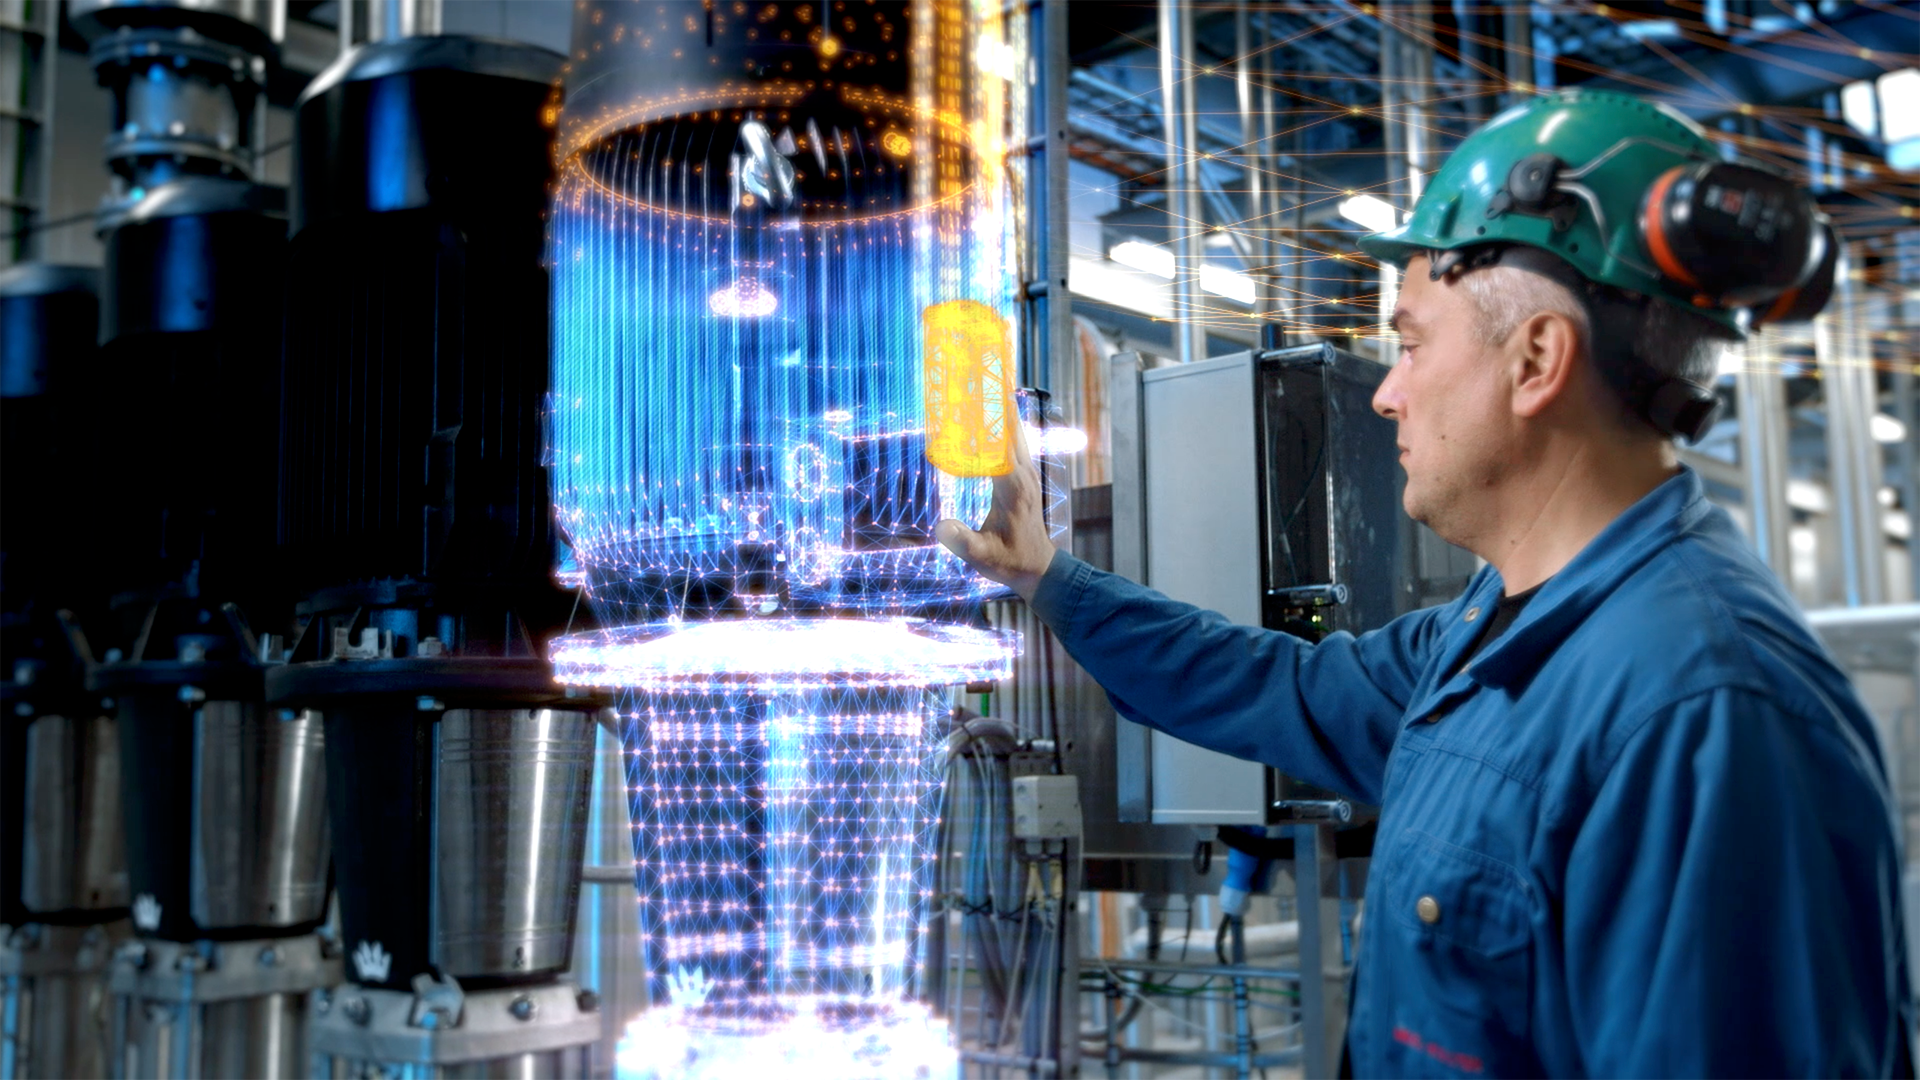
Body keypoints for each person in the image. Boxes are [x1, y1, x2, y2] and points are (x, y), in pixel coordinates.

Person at [936, 88, 1917, 1077]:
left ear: (1536, 361)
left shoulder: (1708, 718)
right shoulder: (1485, 638)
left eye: (1409, 344)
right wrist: (1049, 578)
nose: (1388, 391)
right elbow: (1272, 684)